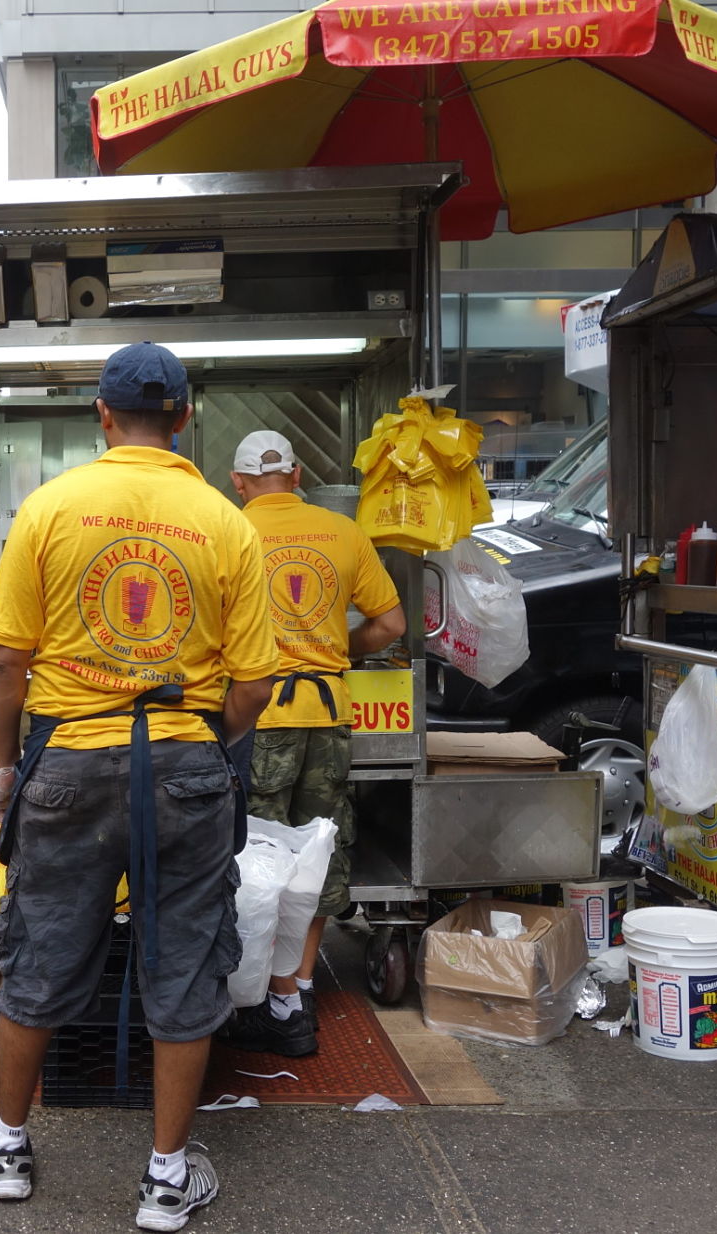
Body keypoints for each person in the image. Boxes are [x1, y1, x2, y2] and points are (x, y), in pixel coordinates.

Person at [0, 343, 277, 1231]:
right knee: (184, 966)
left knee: (41, 954)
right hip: (185, 760)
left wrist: (2, 769)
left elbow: (5, 664)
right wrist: (200, 749)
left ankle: (5, 1148)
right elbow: (255, 684)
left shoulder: (49, 508)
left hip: (65, 759)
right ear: (185, 417)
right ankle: (164, 1179)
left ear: (101, 416)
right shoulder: (226, 523)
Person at [219, 430, 405, 1058]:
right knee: (319, 852)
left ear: (239, 483)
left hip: (258, 712)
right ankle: (296, 989)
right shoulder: (344, 533)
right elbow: (391, 624)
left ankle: (256, 995)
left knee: (257, 859)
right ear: (296, 475)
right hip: (328, 714)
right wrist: (335, 653)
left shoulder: (228, 529)